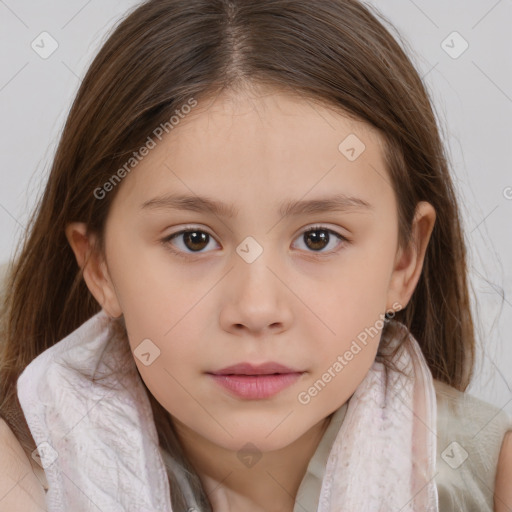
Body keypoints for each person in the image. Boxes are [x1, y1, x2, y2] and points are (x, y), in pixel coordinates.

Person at [0, 0, 511, 511]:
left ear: (405, 260)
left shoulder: (490, 479)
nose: (256, 308)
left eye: (318, 238)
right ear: (100, 266)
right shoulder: (23, 476)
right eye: (193, 239)